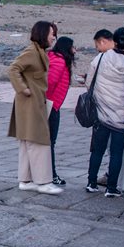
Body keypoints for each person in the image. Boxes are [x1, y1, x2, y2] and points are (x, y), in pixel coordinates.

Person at [86, 28, 124, 197]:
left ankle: (91, 183)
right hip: (122, 119)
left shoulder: (101, 58)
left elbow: (89, 82)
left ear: (115, 41)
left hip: (102, 114)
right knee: (117, 153)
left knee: (97, 150)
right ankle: (111, 188)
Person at [8, 21, 62, 194]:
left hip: (32, 103)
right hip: (30, 103)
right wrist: (23, 88)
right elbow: (13, 68)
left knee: (27, 141)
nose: (54, 37)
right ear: (43, 34)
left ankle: (25, 180)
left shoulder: (39, 52)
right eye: (52, 33)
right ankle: (43, 181)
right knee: (39, 140)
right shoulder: (32, 52)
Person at [46, 36, 74, 186]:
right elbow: (50, 82)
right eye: (72, 47)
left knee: (47, 142)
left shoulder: (54, 57)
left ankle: (46, 174)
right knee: (50, 142)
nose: (74, 50)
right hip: (50, 105)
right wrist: (49, 102)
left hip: (50, 104)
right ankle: (51, 174)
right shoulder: (59, 60)